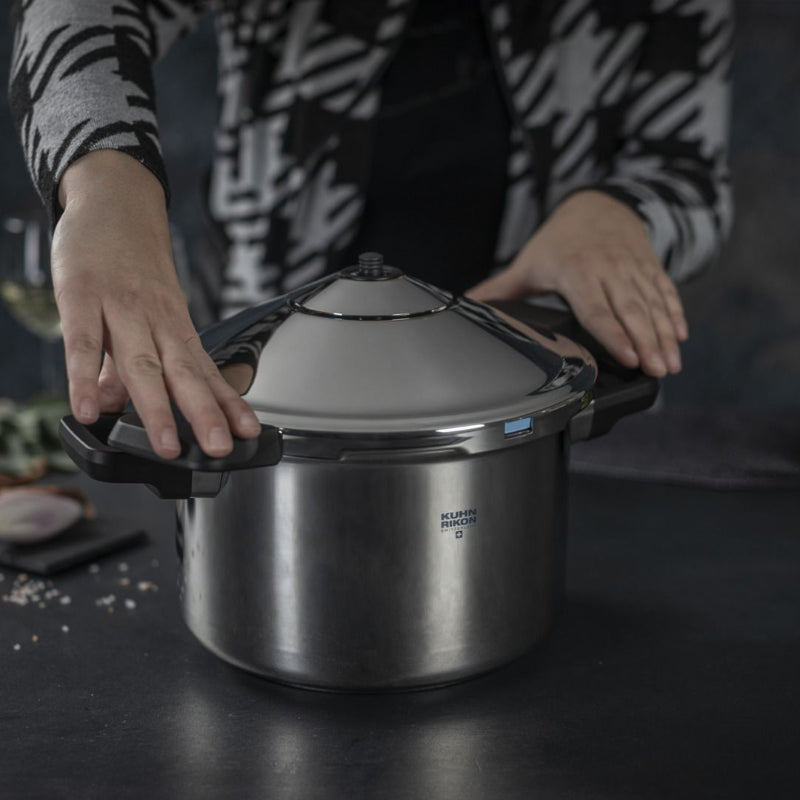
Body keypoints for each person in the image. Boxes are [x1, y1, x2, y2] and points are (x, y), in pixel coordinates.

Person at [9, 0, 733, 458]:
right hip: (264, 385)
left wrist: (619, 214)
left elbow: (691, 174)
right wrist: (106, 179)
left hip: (552, 413)